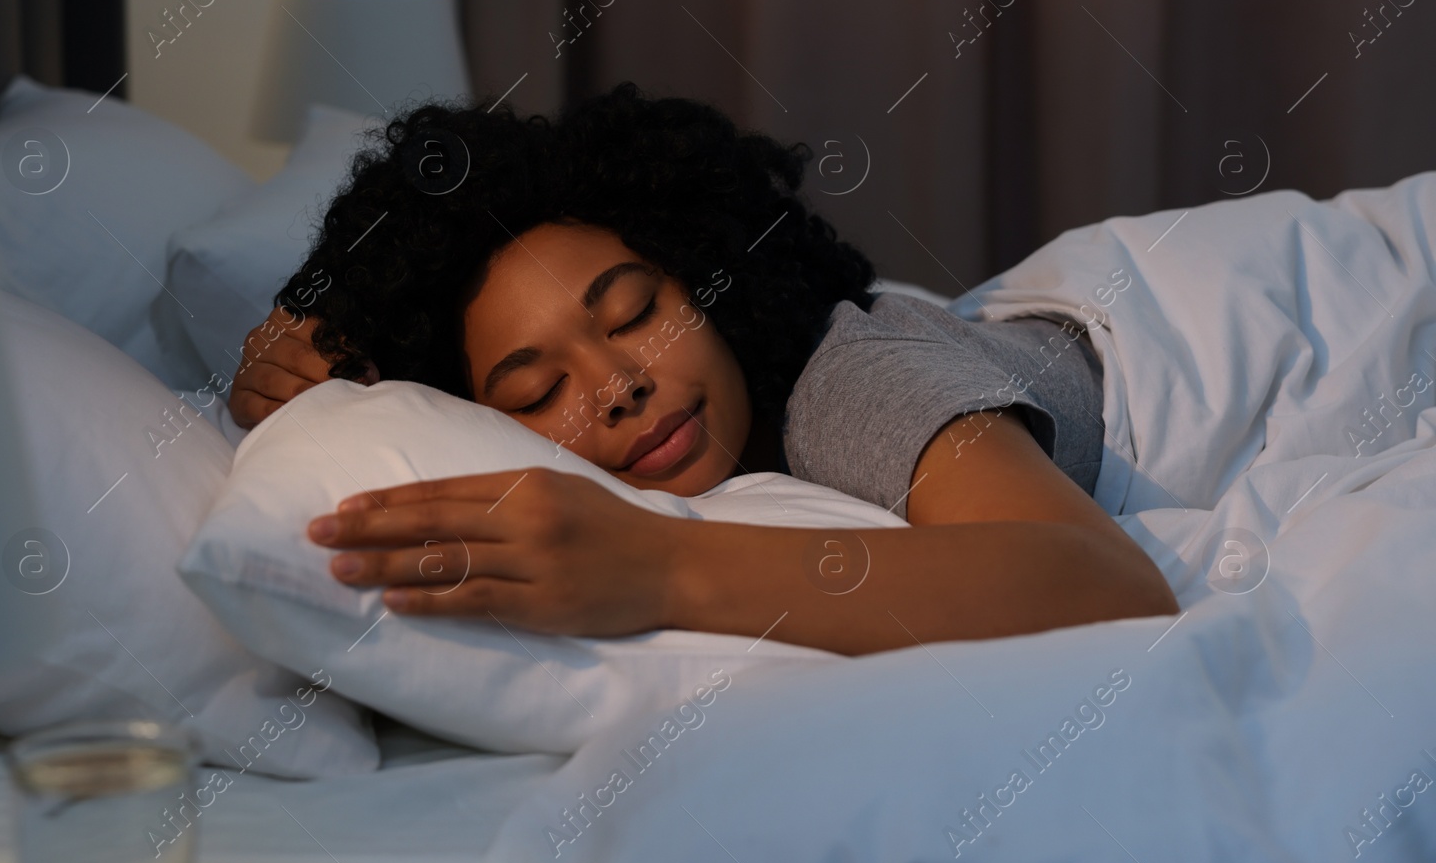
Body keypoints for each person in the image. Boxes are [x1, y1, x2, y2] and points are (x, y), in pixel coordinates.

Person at [228, 84, 1177, 656]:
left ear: (709, 280)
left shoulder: (846, 384)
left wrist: (663, 568)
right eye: (536, 391)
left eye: (635, 312)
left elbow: (1110, 584)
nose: (617, 384)